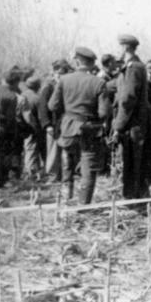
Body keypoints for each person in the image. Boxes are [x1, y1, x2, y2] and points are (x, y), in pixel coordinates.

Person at [48, 47, 110, 203]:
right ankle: (83, 204)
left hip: (68, 128)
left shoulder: (64, 80)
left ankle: (65, 196)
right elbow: (104, 113)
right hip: (90, 130)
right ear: (91, 63)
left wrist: (68, 110)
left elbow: (52, 106)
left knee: (67, 161)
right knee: (89, 167)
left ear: (77, 61)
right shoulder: (99, 82)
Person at [112, 35, 151, 199]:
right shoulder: (135, 66)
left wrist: (118, 126)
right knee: (138, 160)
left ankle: (135, 198)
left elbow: (127, 99)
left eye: (119, 47)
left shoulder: (133, 68)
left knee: (135, 161)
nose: (118, 51)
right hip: (137, 121)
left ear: (125, 48)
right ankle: (140, 196)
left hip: (134, 123)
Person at [38, 59, 71, 183]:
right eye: (61, 73)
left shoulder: (65, 85)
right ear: (55, 72)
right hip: (52, 124)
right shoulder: (48, 87)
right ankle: (52, 176)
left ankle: (64, 175)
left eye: (65, 73)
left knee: (65, 149)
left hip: (65, 123)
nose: (62, 76)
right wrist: (47, 124)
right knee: (52, 150)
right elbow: (42, 107)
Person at [0, 68, 23, 187]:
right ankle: (1, 180)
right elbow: (10, 118)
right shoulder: (11, 96)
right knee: (2, 155)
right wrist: (13, 133)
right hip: (1, 127)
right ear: (14, 82)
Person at [20, 76, 44, 179]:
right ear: (38, 86)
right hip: (32, 127)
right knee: (32, 149)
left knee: (28, 149)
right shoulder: (37, 98)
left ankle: (32, 170)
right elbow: (40, 115)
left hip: (22, 126)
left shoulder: (22, 95)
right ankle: (30, 173)